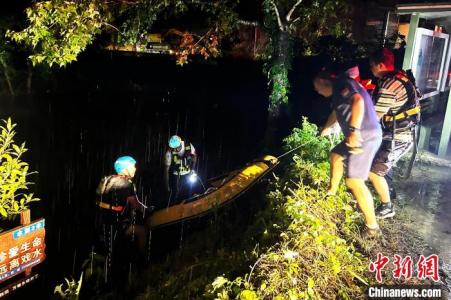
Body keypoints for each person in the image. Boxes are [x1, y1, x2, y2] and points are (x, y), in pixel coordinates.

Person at [314, 71, 383, 238]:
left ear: (324, 81)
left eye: (316, 87)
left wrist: (353, 131)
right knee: (336, 155)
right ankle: (331, 192)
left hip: (364, 136)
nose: (317, 92)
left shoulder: (343, 84)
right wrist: (325, 129)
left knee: (354, 181)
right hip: (360, 135)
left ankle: (372, 227)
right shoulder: (339, 90)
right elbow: (336, 113)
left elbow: (357, 101)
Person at [367, 48, 421, 219]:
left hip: (398, 137)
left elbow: (375, 116)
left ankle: (387, 206)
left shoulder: (389, 86)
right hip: (400, 132)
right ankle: (387, 192)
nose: (371, 70)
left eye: (372, 66)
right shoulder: (400, 77)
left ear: (380, 65)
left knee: (374, 172)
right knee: (380, 166)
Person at [95, 155, 151, 282]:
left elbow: (99, 198)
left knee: (109, 252)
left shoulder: (106, 179)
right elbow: (136, 204)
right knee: (142, 231)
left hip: (101, 223)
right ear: (126, 168)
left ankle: (105, 277)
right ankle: (142, 260)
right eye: (133, 166)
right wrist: (147, 209)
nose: (135, 169)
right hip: (116, 225)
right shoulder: (128, 184)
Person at [164, 135, 198, 205]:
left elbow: (195, 157)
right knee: (177, 193)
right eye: (173, 148)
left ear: (180, 143)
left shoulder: (188, 145)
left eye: (177, 148)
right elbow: (166, 170)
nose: (175, 150)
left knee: (192, 189)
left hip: (188, 172)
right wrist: (167, 186)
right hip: (177, 175)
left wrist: (193, 170)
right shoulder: (169, 153)